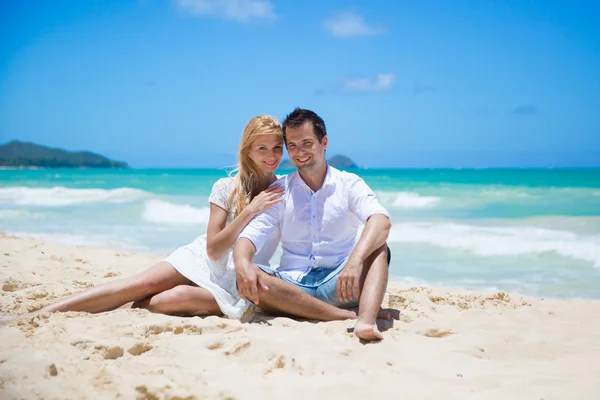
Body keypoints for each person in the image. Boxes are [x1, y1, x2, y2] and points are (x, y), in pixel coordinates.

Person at [0, 115, 291, 323]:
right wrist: (249, 211)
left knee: (166, 300)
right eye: (262, 148)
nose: (271, 156)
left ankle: (116, 308)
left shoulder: (284, 189)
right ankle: (37, 315)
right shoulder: (226, 187)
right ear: (248, 151)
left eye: (277, 148)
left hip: (235, 280)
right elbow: (213, 249)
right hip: (202, 260)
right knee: (139, 285)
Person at [233, 108, 392, 342]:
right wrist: (241, 263)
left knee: (380, 248)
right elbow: (251, 235)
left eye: (307, 143)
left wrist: (353, 262)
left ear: (324, 142)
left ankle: (365, 322)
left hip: (339, 284)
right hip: (292, 287)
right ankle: (338, 315)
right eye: (293, 146)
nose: (300, 152)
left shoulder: (348, 184)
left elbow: (381, 221)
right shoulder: (280, 189)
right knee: (248, 273)